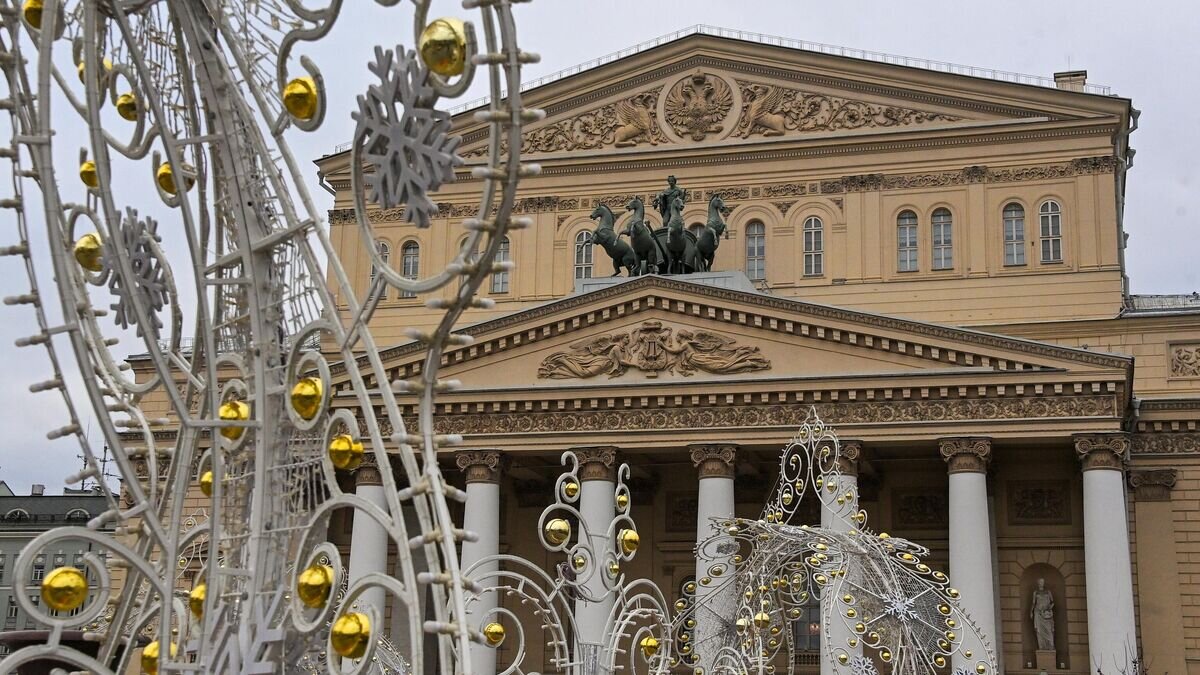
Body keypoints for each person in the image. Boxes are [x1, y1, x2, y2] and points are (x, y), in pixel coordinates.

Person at [1030, 578, 1055, 651]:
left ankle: (1051, 646)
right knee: (1039, 631)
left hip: (1047, 614)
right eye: (1040, 582)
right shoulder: (1036, 592)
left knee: (1049, 630)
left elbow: (1052, 602)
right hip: (1038, 613)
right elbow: (1033, 603)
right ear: (1038, 583)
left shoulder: (1048, 592)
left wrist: (1048, 609)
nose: (1042, 583)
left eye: (1043, 582)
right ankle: (1041, 647)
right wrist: (1031, 612)